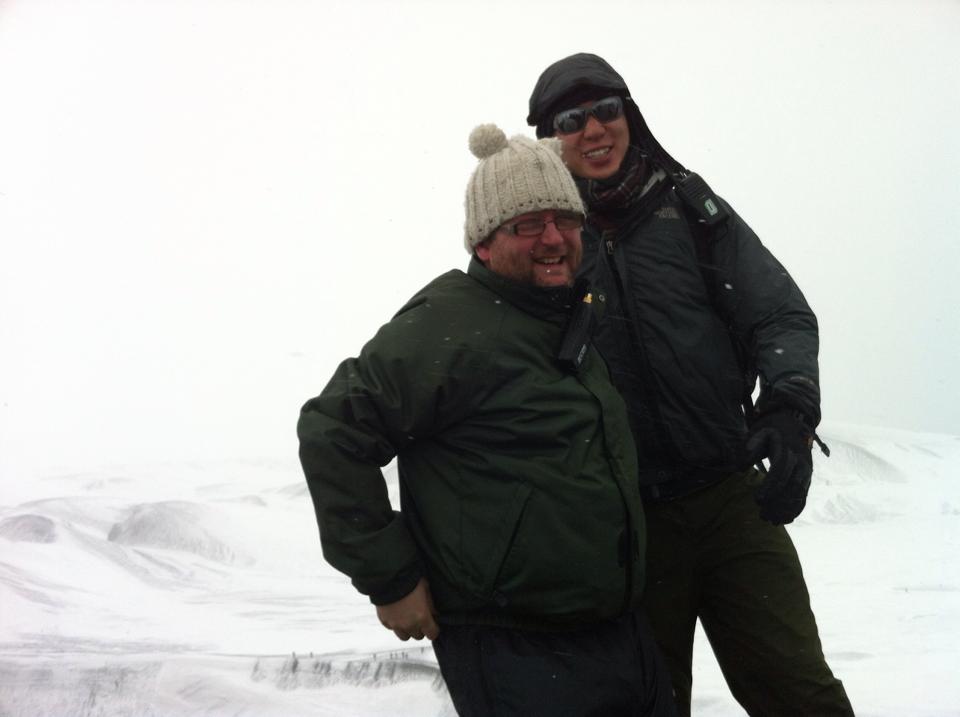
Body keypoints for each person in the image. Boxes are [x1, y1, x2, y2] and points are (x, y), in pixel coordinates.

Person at [297, 123, 677, 716]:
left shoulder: (568, 319)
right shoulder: (451, 322)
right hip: (517, 652)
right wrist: (391, 578)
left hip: (618, 635)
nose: (553, 238)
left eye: (565, 219)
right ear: (483, 242)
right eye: (527, 224)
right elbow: (333, 429)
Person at [526, 53, 854, 716]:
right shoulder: (544, 241)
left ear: (630, 115)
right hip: (628, 531)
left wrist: (790, 408)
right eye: (571, 118)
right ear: (546, 137)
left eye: (607, 109)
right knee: (644, 705)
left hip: (732, 502)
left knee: (801, 694)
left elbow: (778, 311)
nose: (594, 129)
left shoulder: (688, 207)